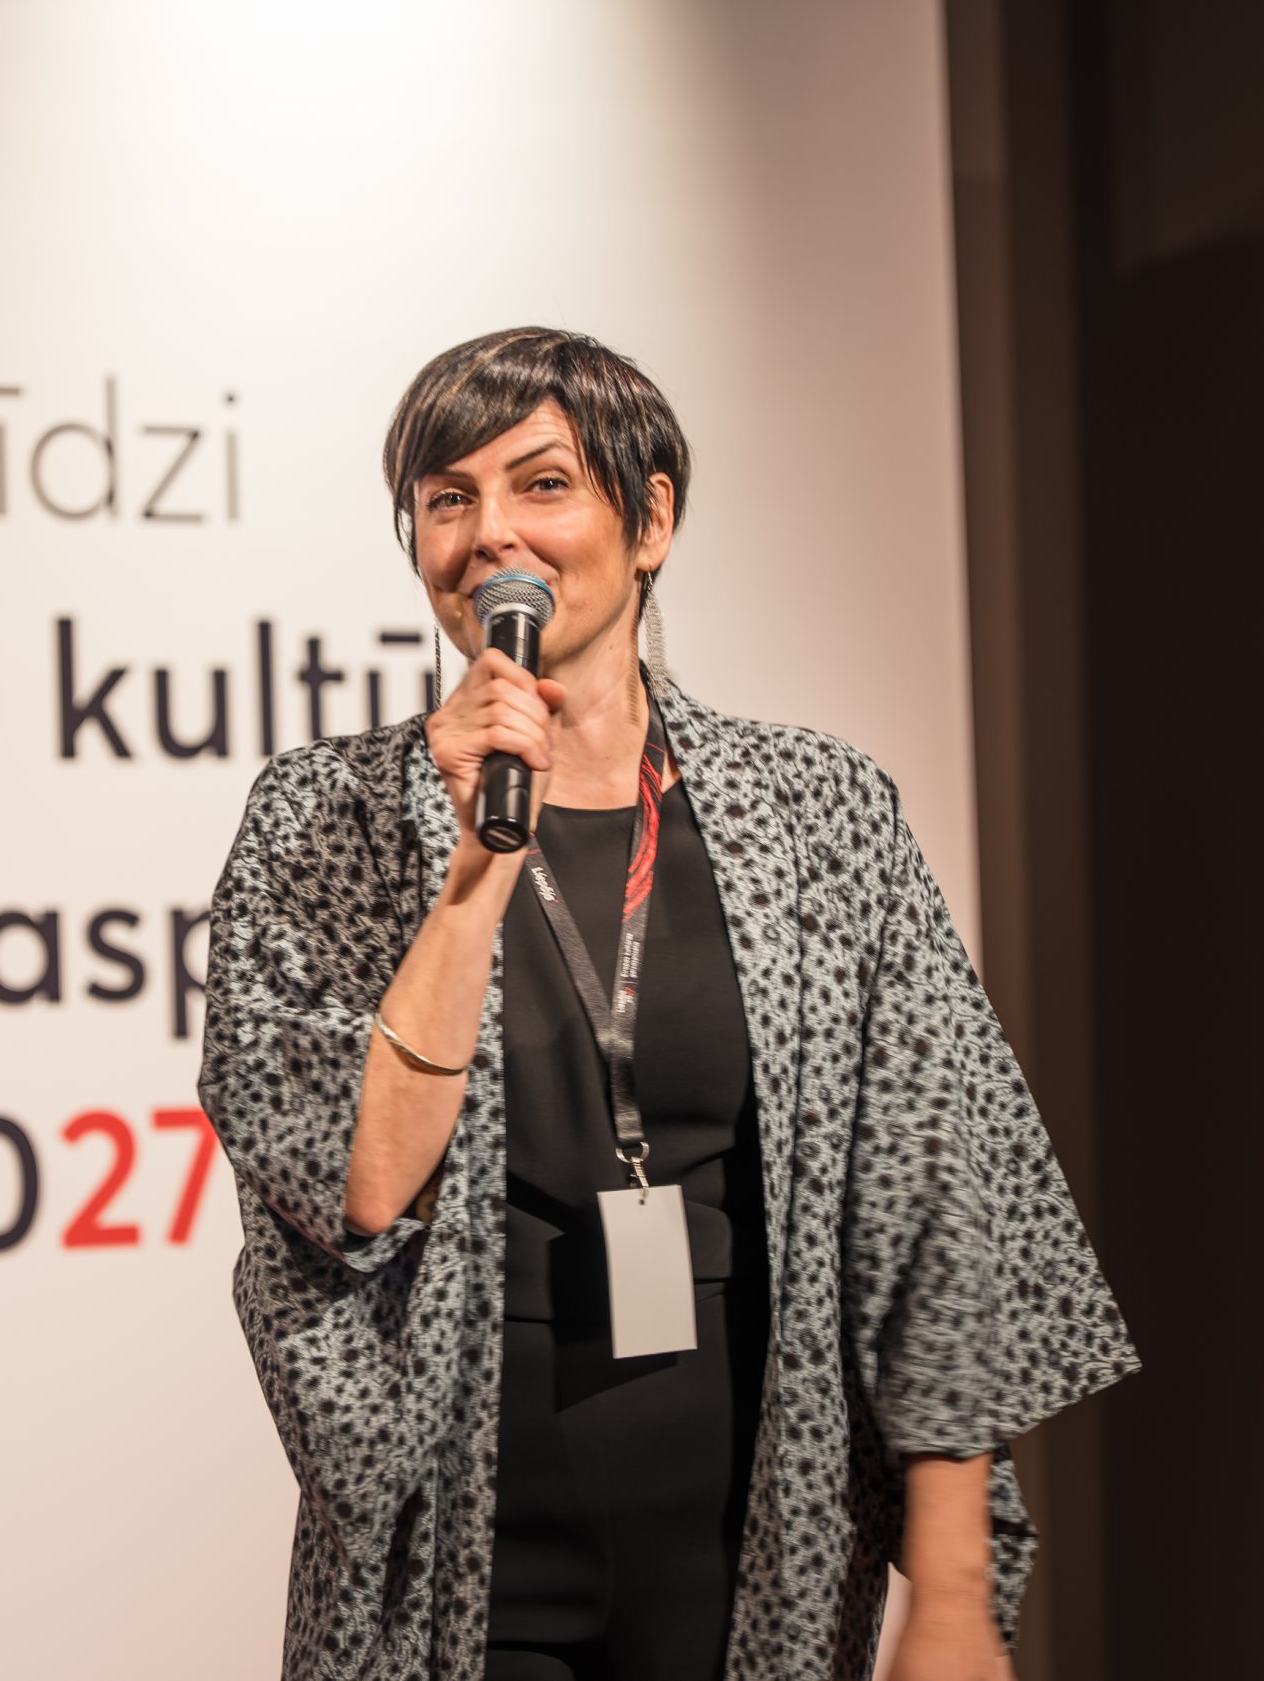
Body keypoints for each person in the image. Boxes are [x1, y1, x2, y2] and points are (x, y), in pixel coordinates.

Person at [197, 328, 1138, 1681]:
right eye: (447, 498)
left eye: (542, 484)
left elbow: (936, 1199)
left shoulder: (819, 812)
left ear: (650, 521)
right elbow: (356, 1186)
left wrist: (952, 1585)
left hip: (758, 1533)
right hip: (459, 1544)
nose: (489, 534)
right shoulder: (326, 818)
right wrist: (471, 879)